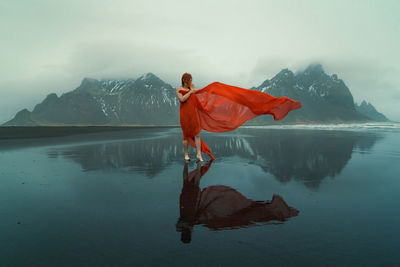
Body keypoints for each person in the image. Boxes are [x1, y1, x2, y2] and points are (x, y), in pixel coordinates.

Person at [176, 72, 302, 162]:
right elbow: (181, 99)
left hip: (193, 115)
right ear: (184, 80)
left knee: (197, 134)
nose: (190, 81)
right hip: (184, 115)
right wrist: (190, 93)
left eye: (191, 80)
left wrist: (212, 88)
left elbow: (202, 94)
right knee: (186, 136)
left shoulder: (193, 89)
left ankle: (198, 154)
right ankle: (186, 155)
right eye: (189, 80)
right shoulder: (179, 89)